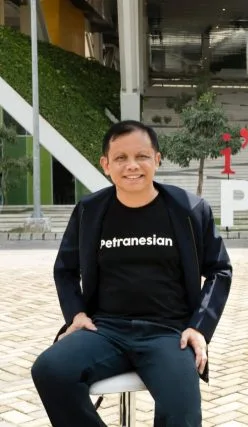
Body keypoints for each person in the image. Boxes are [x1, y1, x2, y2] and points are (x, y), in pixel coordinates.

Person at [31, 120, 232, 427]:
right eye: (121, 158)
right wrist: (76, 314)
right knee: (50, 370)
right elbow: (65, 270)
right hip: (105, 330)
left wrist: (199, 328)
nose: (132, 166)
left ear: (157, 159)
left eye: (142, 156)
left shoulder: (189, 210)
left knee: (181, 412)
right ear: (106, 165)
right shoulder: (89, 211)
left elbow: (219, 269)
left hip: (169, 333)